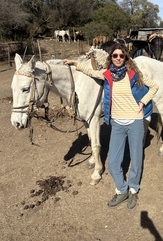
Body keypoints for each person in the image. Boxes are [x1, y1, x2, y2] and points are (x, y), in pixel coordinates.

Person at [63, 43, 158, 209]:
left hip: (135, 121)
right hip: (117, 124)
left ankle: (133, 190)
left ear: (126, 57)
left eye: (122, 56)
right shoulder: (106, 74)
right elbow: (90, 72)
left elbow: (154, 86)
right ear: (111, 58)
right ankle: (122, 189)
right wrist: (76, 64)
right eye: (115, 56)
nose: (119, 58)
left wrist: (143, 101)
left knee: (136, 160)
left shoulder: (134, 73)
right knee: (113, 162)